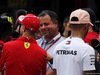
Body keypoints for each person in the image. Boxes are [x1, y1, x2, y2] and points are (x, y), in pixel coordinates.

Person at [53, 9, 95, 75]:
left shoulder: (57, 47)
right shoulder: (87, 49)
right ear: (86, 26)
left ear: (69, 26)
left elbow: (55, 72)